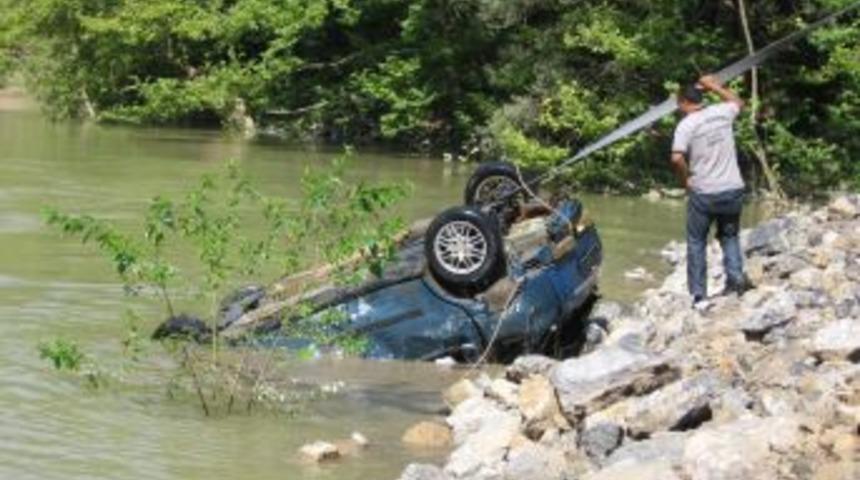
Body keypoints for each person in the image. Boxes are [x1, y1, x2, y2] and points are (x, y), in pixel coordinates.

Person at [671, 74, 752, 307]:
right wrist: (714, 86)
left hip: (704, 192)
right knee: (730, 235)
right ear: (702, 97)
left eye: (679, 103)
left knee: (696, 242)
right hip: (732, 188)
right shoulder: (722, 112)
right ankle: (736, 282)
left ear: (685, 102)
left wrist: (686, 180)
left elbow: (676, 158)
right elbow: (739, 103)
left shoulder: (686, 125)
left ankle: (699, 296)